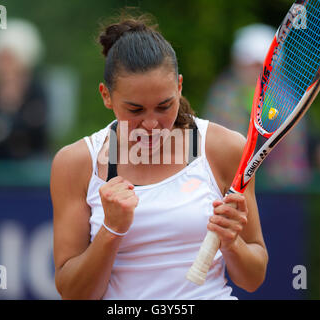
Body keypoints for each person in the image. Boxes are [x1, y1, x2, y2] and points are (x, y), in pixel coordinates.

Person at [51, 13, 268, 300]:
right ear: (106, 96)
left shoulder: (224, 147)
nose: (151, 124)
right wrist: (111, 229)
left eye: (165, 106)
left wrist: (231, 243)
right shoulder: (75, 163)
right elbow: (73, 293)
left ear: (179, 87)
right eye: (135, 110)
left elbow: (253, 279)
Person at [202, 24, 311, 189]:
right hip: (234, 184)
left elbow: (294, 146)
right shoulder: (224, 95)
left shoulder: (285, 96)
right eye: (249, 64)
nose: (254, 71)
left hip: (282, 189)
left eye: (259, 65)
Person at [0, 19, 48, 159]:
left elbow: (38, 134)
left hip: (29, 172)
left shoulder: (36, 93)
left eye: (8, 59)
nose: (3, 66)